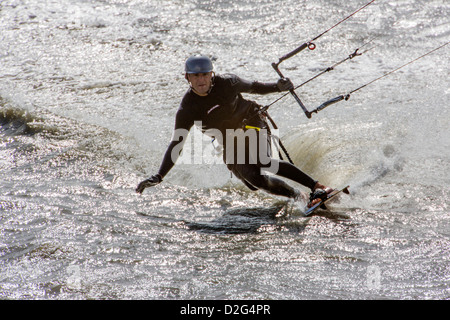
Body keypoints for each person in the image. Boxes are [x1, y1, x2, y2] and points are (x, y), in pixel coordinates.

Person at [136, 55, 333, 206]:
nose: (201, 80)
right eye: (196, 76)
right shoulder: (187, 109)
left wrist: (278, 87)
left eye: (205, 74)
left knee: (262, 161)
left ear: (211, 74)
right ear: (187, 77)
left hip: (251, 121)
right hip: (229, 140)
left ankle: (317, 187)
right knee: (253, 180)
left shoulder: (227, 83)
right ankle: (299, 197)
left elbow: (255, 87)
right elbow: (177, 143)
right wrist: (159, 176)